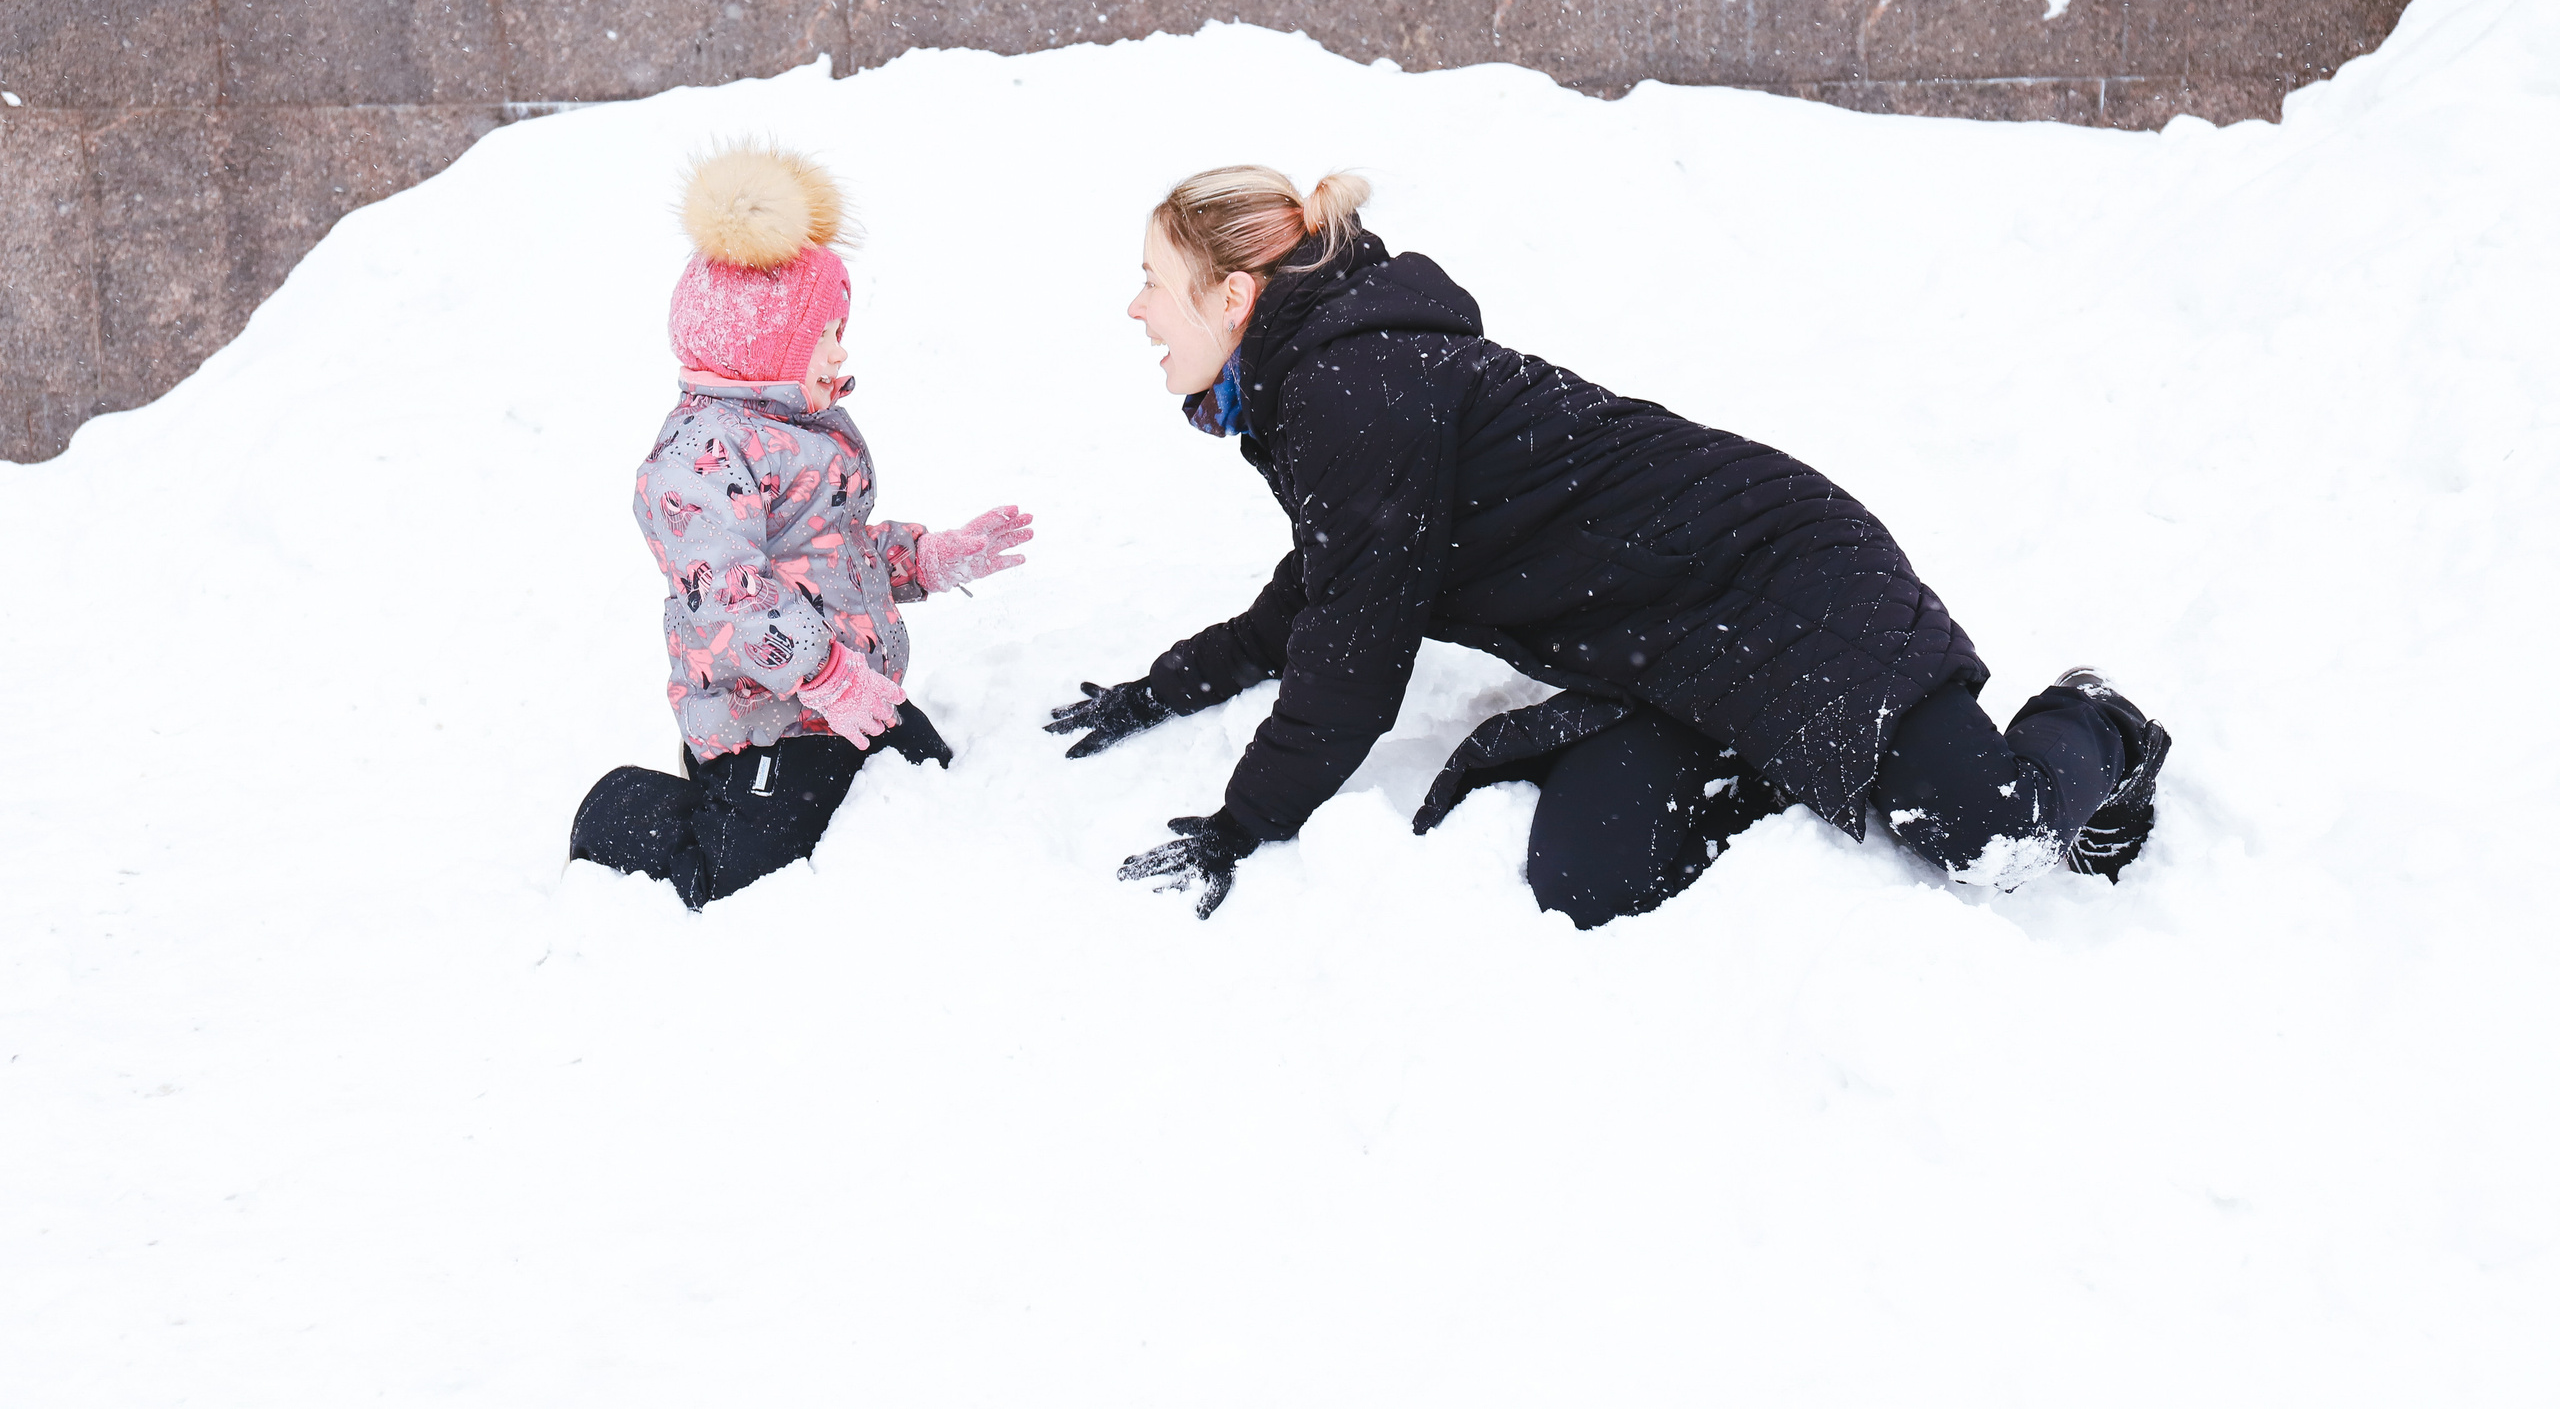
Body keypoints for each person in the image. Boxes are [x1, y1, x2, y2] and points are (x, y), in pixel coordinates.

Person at [1047, 166, 2168, 926]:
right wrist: (1164, 689)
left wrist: (1243, 827)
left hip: (1772, 576)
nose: (1136, 309)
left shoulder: (1354, 392)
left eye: (1153, 280)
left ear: (1234, 295)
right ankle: (1773, 751)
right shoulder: (1327, 383)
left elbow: (1351, 654)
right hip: (1657, 645)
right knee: (1591, 878)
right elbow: (1331, 587)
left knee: (1990, 837)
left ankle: (2092, 716)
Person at [572, 146, 1032, 907]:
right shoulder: (701, 458)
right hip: (768, 715)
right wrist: (827, 675)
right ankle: (625, 808)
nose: (841, 349)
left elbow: (837, 556)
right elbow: (729, 598)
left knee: (928, 776)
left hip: (843, 692)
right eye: (827, 332)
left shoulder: (803, 431)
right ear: (768, 342)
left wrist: (929, 558)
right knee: (742, 871)